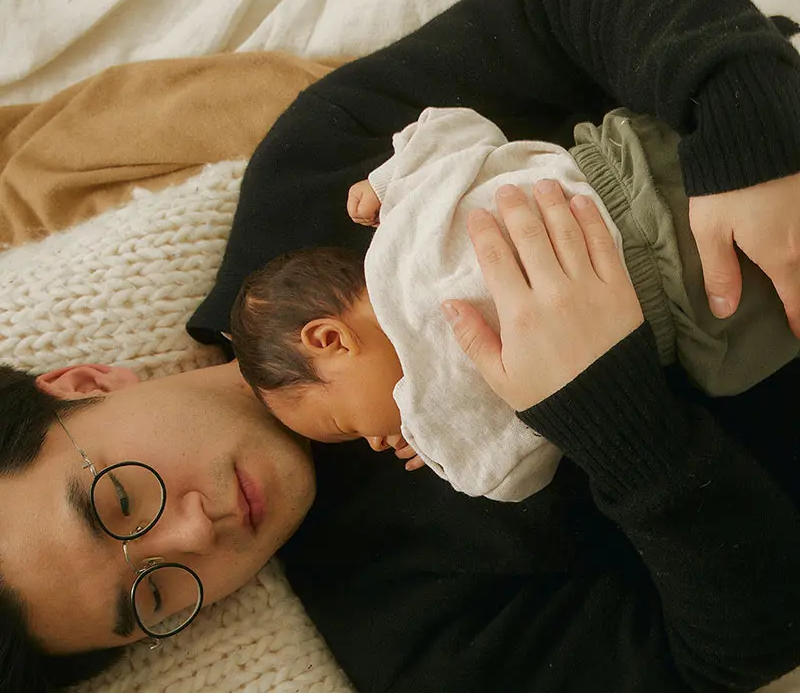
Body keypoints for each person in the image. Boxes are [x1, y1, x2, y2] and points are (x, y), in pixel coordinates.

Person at [2, 0, 800, 693]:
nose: (191, 538)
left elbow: (562, 5)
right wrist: (615, 421)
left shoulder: (303, 182)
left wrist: (749, 130)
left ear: (84, 382)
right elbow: (736, 652)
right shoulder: (419, 636)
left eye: (119, 504)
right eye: (152, 601)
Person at [229, 104, 799, 501]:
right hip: (631, 165)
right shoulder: (407, 217)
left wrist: (440, 447)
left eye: (346, 426)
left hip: (686, 288)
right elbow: (457, 128)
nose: (377, 443)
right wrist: (392, 175)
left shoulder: (437, 396)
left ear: (329, 339)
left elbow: (507, 477)